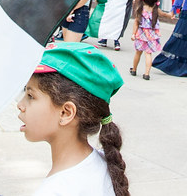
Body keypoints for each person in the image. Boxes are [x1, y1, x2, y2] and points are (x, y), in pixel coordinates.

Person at [18, 42, 128, 196]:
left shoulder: (56, 190)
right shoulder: (102, 162)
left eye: (30, 96)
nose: (20, 105)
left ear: (66, 113)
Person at [129, 0, 161, 80]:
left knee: (138, 53)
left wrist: (133, 34)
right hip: (151, 35)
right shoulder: (155, 10)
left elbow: (136, 23)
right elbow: (163, 14)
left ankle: (134, 69)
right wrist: (169, 15)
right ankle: (147, 73)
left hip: (141, 35)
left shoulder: (140, 10)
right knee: (148, 54)